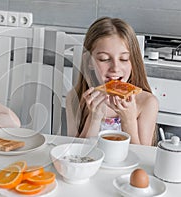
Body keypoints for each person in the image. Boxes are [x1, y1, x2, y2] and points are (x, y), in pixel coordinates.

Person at [66, 17, 158, 146]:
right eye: (104, 59)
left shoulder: (147, 102)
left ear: (133, 62)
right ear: (89, 62)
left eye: (124, 59)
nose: (115, 68)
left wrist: (129, 121)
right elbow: (76, 154)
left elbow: (143, 159)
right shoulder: (74, 98)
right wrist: (94, 118)